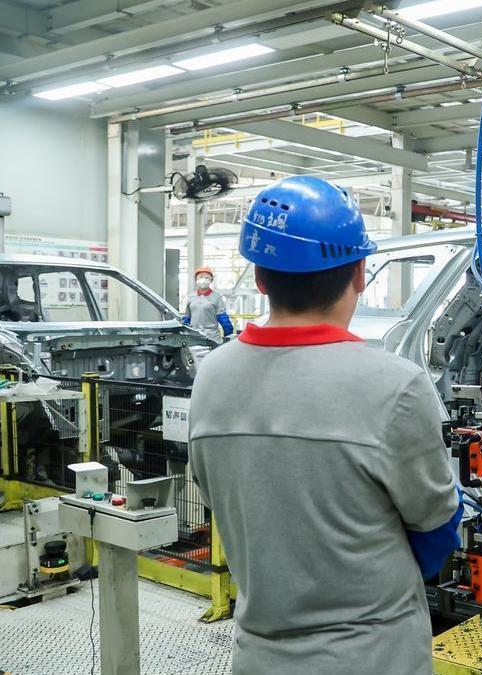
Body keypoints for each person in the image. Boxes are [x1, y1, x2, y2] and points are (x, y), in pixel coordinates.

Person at [189, 176, 462, 674]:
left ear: (261, 279)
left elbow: (220, 499)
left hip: (260, 656)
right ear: (360, 272)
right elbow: (437, 530)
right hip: (374, 657)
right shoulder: (394, 386)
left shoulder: (211, 377)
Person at [181, 267, 233, 342]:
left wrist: (228, 337)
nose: (203, 280)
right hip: (194, 337)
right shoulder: (191, 297)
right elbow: (186, 319)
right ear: (196, 280)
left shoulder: (217, 297)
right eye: (200, 277)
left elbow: (223, 319)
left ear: (211, 280)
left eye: (206, 277)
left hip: (212, 337)